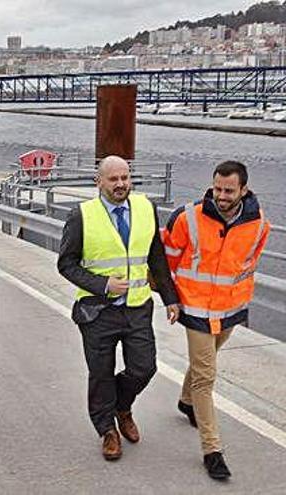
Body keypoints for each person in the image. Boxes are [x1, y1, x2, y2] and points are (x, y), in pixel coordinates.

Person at [57, 155, 180, 462]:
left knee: (144, 367)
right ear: (99, 182)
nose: (121, 184)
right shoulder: (81, 216)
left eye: (125, 177)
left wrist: (170, 297)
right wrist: (102, 285)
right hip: (97, 311)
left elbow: (156, 257)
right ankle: (107, 431)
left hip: (137, 308)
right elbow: (66, 264)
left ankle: (121, 406)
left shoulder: (145, 208)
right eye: (113, 179)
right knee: (100, 374)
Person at [162, 161, 269, 480]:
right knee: (206, 377)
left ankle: (185, 401)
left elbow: (248, 264)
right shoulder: (188, 217)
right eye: (217, 188)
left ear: (243, 190)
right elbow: (165, 258)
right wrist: (171, 299)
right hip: (195, 309)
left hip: (231, 309)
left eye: (229, 190)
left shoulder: (260, 224)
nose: (221, 195)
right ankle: (212, 450)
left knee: (204, 362)